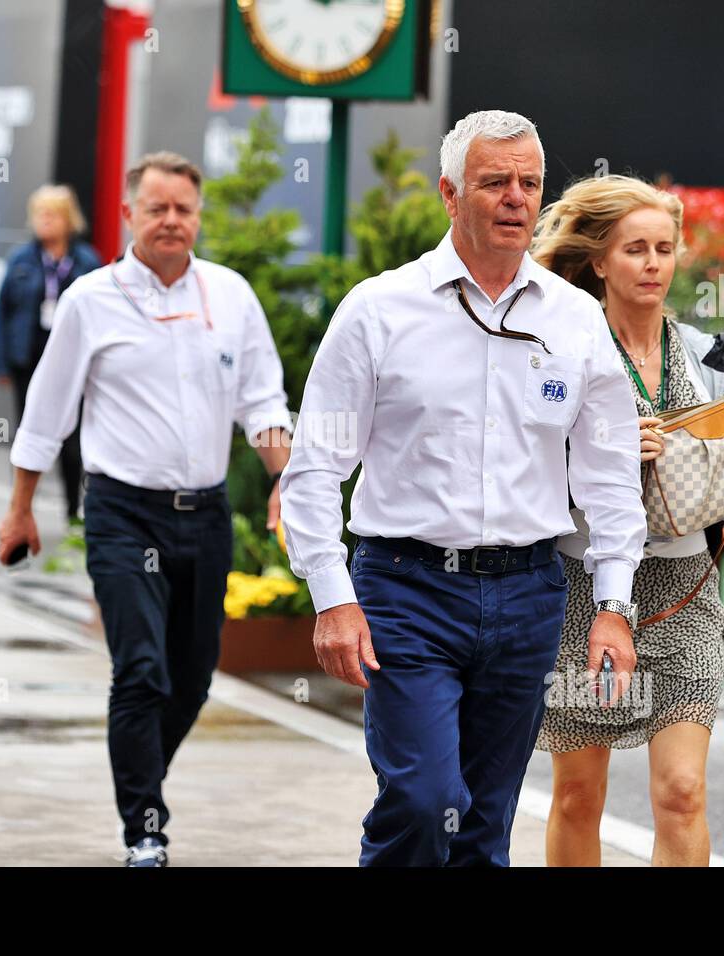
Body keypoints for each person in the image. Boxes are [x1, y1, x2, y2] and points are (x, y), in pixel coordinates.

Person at [280, 110, 648, 867]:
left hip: (527, 594)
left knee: (485, 825)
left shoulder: (575, 320)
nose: (516, 198)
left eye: (530, 184)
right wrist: (330, 595)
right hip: (405, 590)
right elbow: (316, 466)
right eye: (494, 182)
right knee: (423, 800)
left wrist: (613, 605)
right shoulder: (379, 310)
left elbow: (610, 475)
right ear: (450, 194)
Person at [0, 151, 292, 867]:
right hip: (124, 513)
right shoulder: (90, 300)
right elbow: (47, 410)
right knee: (141, 669)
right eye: (156, 207)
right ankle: (145, 827)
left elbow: (263, 403)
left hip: (207, 514)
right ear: (129, 214)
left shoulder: (231, 296)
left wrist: (287, 479)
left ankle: (142, 778)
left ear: (198, 216)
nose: (171, 221)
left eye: (183, 209)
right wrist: (22, 509)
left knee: (192, 675)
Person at [529, 174, 724, 866]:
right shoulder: (561, 348)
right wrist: (593, 454)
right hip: (583, 588)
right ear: (599, 260)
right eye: (635, 249)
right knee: (578, 795)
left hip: (684, 590)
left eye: (664, 249)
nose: (653, 264)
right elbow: (520, 463)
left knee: (683, 791)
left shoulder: (707, 354)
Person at [0, 184, 101, 524]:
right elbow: (3, 311)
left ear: (68, 220)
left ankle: (73, 508)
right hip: (29, 356)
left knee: (71, 441)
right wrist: (2, 361)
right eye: (39, 215)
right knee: (29, 433)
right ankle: (21, 510)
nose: (44, 222)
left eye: (52, 215)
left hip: (73, 362)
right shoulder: (21, 260)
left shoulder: (87, 261)